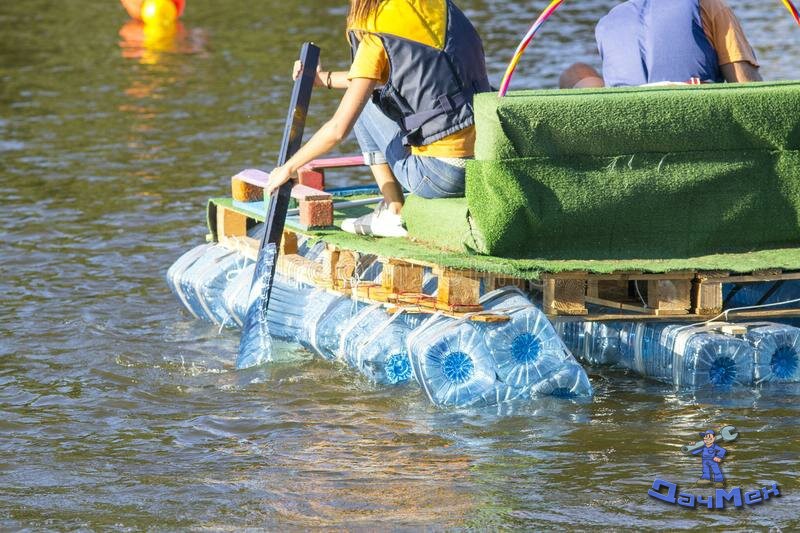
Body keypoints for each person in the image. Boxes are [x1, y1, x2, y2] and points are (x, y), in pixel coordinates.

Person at [265, 0, 490, 237]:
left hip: (439, 177)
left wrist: (288, 167)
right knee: (367, 94)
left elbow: (338, 129)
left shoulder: (376, 30)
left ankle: (394, 210)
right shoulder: (440, 8)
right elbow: (395, 75)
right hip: (483, 164)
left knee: (364, 103)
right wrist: (324, 79)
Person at [559, 0, 762, 89]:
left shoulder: (607, 22)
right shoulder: (707, 4)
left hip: (628, 131)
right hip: (696, 128)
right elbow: (747, 89)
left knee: (574, 73)